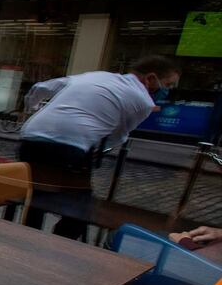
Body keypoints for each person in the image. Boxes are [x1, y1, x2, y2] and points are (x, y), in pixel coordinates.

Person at [18, 55, 181, 238]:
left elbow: (40, 88)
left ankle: (27, 237)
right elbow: (118, 135)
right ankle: (61, 243)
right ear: (150, 78)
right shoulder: (143, 102)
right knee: (80, 203)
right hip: (71, 145)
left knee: (37, 192)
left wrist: (31, 108)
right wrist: (96, 147)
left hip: (31, 135)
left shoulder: (96, 76)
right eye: (167, 85)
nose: (167, 91)